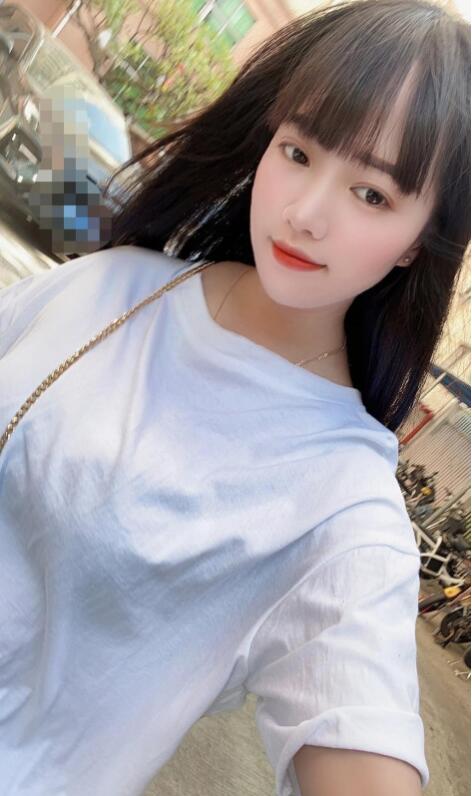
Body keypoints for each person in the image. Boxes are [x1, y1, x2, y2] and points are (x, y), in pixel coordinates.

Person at [0, 0, 469, 794]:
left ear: (418, 241)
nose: (305, 214)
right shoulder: (116, 285)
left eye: (372, 195)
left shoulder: (341, 501)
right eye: (299, 151)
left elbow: (362, 722)